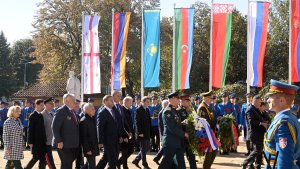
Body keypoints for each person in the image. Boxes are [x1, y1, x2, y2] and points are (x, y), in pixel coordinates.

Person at [264, 79, 300, 168]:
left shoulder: (283, 124)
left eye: (271, 97)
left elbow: (284, 160)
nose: (268, 100)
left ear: (281, 100)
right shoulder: (290, 117)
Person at [158, 92, 188, 169]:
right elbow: (172, 128)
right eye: (178, 99)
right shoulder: (167, 111)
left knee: (181, 164)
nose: (179, 100)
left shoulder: (174, 110)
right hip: (170, 142)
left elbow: (177, 124)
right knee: (165, 164)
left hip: (177, 142)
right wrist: (184, 134)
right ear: (172, 99)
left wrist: (183, 123)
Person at [52, 94, 79, 169]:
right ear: (67, 101)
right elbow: (55, 127)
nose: (75, 102)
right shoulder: (61, 111)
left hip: (72, 143)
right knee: (67, 163)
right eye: (73, 100)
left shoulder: (72, 111)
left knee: (67, 163)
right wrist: (59, 141)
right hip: (63, 144)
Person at [242, 95, 267, 169]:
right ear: (255, 101)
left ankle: (257, 166)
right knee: (257, 150)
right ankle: (245, 162)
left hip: (259, 133)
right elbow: (251, 122)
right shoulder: (250, 110)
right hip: (254, 133)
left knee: (259, 150)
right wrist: (261, 123)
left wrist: (264, 121)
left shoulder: (256, 109)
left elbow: (261, 118)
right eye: (259, 102)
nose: (260, 104)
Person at [97, 95, 121, 169]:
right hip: (108, 141)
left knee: (106, 158)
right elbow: (100, 128)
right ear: (105, 101)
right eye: (111, 100)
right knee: (112, 160)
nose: (112, 102)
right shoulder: (102, 113)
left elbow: (117, 125)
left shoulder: (113, 111)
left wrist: (119, 136)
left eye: (112, 100)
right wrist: (100, 141)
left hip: (115, 140)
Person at [197, 91, 218, 169]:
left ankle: (207, 167)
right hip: (205, 133)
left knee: (213, 150)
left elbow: (211, 118)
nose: (211, 100)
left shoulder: (207, 106)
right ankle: (206, 167)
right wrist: (215, 122)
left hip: (210, 132)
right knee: (210, 151)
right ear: (205, 98)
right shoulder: (203, 107)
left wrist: (217, 121)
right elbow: (203, 121)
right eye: (209, 98)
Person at [24, 99, 47, 169]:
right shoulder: (32, 115)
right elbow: (30, 130)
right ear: (36, 105)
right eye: (41, 105)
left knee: (43, 159)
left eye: (43, 106)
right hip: (35, 141)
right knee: (35, 157)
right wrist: (30, 142)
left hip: (42, 141)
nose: (42, 107)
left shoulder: (40, 115)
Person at [178, 94, 197, 169]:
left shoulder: (192, 110)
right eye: (186, 101)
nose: (188, 102)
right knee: (180, 157)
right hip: (182, 137)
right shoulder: (179, 111)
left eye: (188, 101)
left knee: (192, 156)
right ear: (182, 101)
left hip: (191, 137)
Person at [132, 96, 151, 169]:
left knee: (147, 147)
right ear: (143, 102)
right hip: (141, 132)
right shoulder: (138, 109)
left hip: (147, 132)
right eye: (147, 101)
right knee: (143, 148)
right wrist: (140, 132)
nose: (148, 103)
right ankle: (145, 164)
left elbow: (148, 122)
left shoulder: (147, 109)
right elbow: (137, 122)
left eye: (149, 102)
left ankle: (136, 160)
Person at [79, 103, 99, 169]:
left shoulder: (91, 118)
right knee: (92, 166)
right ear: (87, 110)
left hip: (93, 146)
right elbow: (83, 137)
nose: (94, 110)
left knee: (88, 164)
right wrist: (87, 149)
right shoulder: (83, 121)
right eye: (92, 109)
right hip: (89, 148)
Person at [118, 96, 134, 169]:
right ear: (126, 102)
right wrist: (125, 134)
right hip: (124, 133)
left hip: (129, 133)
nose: (131, 104)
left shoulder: (129, 110)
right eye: (130, 102)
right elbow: (122, 123)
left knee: (130, 150)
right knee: (125, 151)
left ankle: (118, 162)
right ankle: (124, 166)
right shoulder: (122, 110)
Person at [153, 99, 169, 165]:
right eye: (167, 104)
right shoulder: (162, 113)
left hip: (165, 132)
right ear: (165, 105)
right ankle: (158, 158)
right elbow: (161, 125)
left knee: (165, 146)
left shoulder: (164, 112)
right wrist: (163, 134)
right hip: (164, 133)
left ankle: (157, 158)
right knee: (165, 146)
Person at [41, 98, 56, 169]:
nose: (52, 105)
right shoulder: (42, 115)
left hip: (52, 140)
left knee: (43, 160)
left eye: (52, 104)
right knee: (49, 158)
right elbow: (42, 129)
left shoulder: (53, 113)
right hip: (46, 141)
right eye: (50, 104)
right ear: (46, 105)